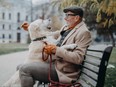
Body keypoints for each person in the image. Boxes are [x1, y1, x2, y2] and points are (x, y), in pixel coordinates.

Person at [19, 6, 92, 87]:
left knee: (24, 69)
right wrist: (32, 28)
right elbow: (51, 34)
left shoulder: (83, 32)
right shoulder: (67, 27)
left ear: (76, 18)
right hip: (54, 64)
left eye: (68, 15)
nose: (65, 18)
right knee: (20, 67)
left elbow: (78, 58)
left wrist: (56, 50)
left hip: (63, 72)